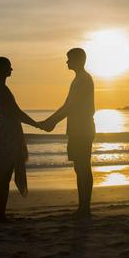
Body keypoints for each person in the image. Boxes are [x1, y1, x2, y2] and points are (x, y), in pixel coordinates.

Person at [0, 56, 44, 222]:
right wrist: (37, 124)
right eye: (9, 67)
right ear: (3, 69)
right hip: (9, 133)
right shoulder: (2, 89)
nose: (11, 69)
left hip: (4, 131)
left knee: (2, 173)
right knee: (4, 175)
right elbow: (17, 113)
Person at [41, 48, 96, 219]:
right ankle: (83, 207)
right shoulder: (79, 80)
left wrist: (51, 122)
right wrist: (50, 121)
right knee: (80, 168)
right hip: (78, 129)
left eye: (69, 59)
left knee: (83, 168)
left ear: (78, 60)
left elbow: (70, 107)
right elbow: (67, 105)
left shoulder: (83, 80)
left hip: (82, 129)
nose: (66, 62)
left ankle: (85, 208)